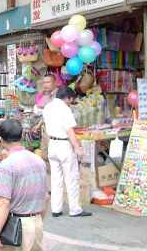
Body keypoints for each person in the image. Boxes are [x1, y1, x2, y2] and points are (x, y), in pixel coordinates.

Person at [0, 119, 49, 250]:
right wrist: (37, 220)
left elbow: (4, 203)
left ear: (1, 139)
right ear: (21, 136)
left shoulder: (7, 165)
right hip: (36, 224)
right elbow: (46, 197)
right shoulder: (39, 161)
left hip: (15, 226)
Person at [43, 87, 92, 218]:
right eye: (71, 99)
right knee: (71, 178)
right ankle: (74, 209)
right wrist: (77, 147)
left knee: (56, 178)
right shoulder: (65, 109)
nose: (71, 102)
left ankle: (56, 209)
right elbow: (69, 130)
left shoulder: (48, 107)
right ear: (68, 98)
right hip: (64, 145)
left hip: (52, 144)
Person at [33, 74, 59, 163]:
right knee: (44, 154)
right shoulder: (47, 95)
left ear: (55, 83)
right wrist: (39, 125)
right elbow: (46, 113)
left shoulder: (59, 95)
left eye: (48, 82)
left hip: (55, 129)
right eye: (44, 83)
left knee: (52, 154)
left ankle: (55, 173)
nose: (45, 85)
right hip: (46, 128)